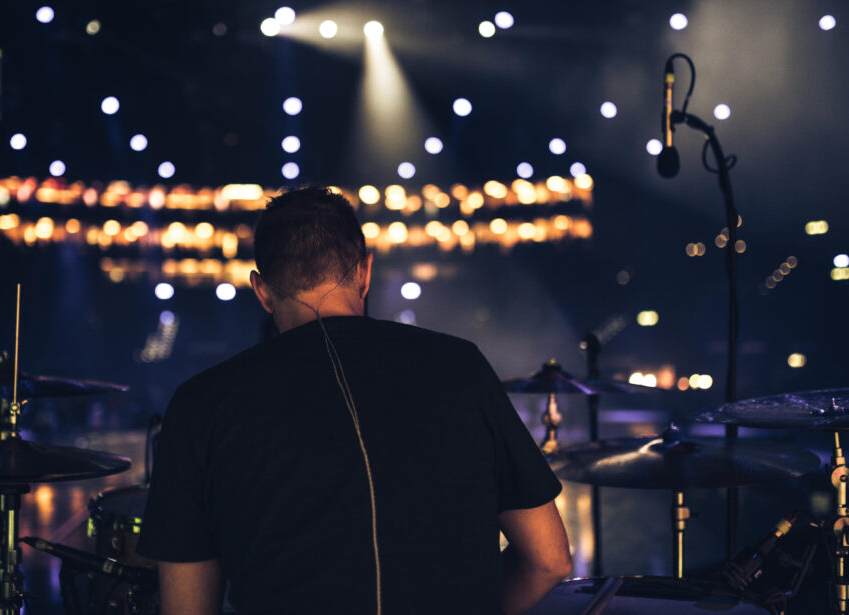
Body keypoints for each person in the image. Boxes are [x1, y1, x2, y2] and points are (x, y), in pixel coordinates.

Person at [137, 186, 571, 615]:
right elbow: (549, 560)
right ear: (365, 272)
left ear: (262, 291)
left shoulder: (200, 405)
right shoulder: (462, 366)